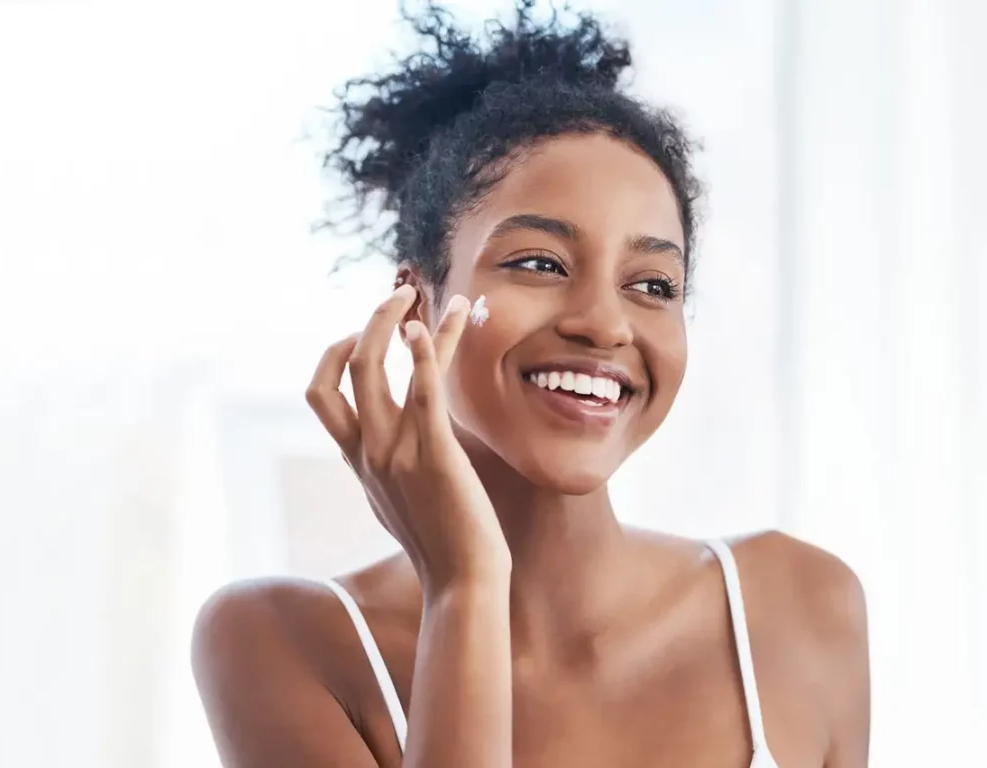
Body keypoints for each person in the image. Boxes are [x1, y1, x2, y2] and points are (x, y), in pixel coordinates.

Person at [191, 2, 871, 766]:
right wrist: (466, 587)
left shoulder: (798, 605)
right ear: (416, 302)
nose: (604, 324)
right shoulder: (281, 642)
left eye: (652, 283)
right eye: (541, 264)